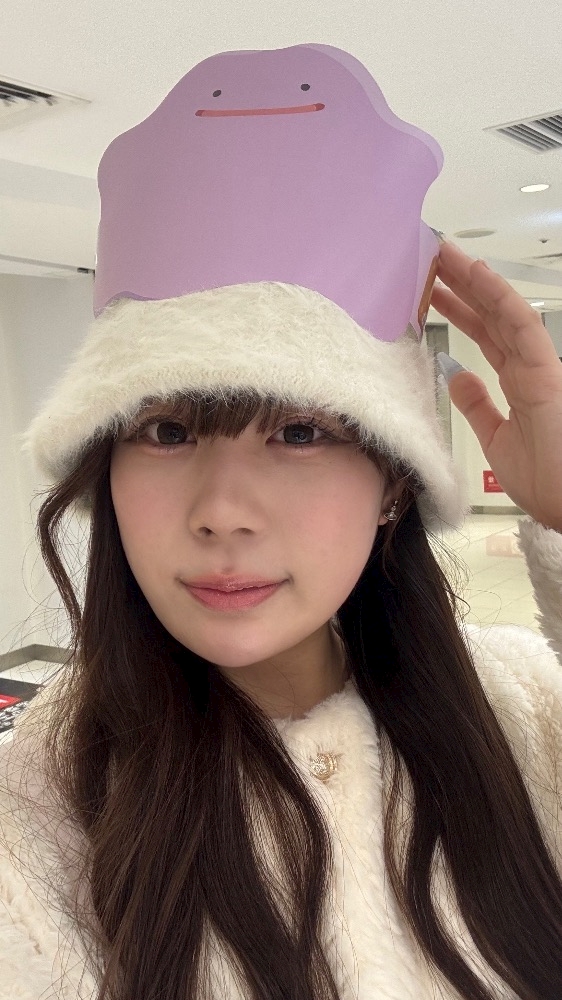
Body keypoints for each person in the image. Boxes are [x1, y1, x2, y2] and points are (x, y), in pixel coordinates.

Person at [0, 42, 561, 1000]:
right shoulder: (40, 819)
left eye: (300, 431)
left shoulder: (522, 709)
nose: (222, 511)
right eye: (167, 430)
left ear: (393, 484)